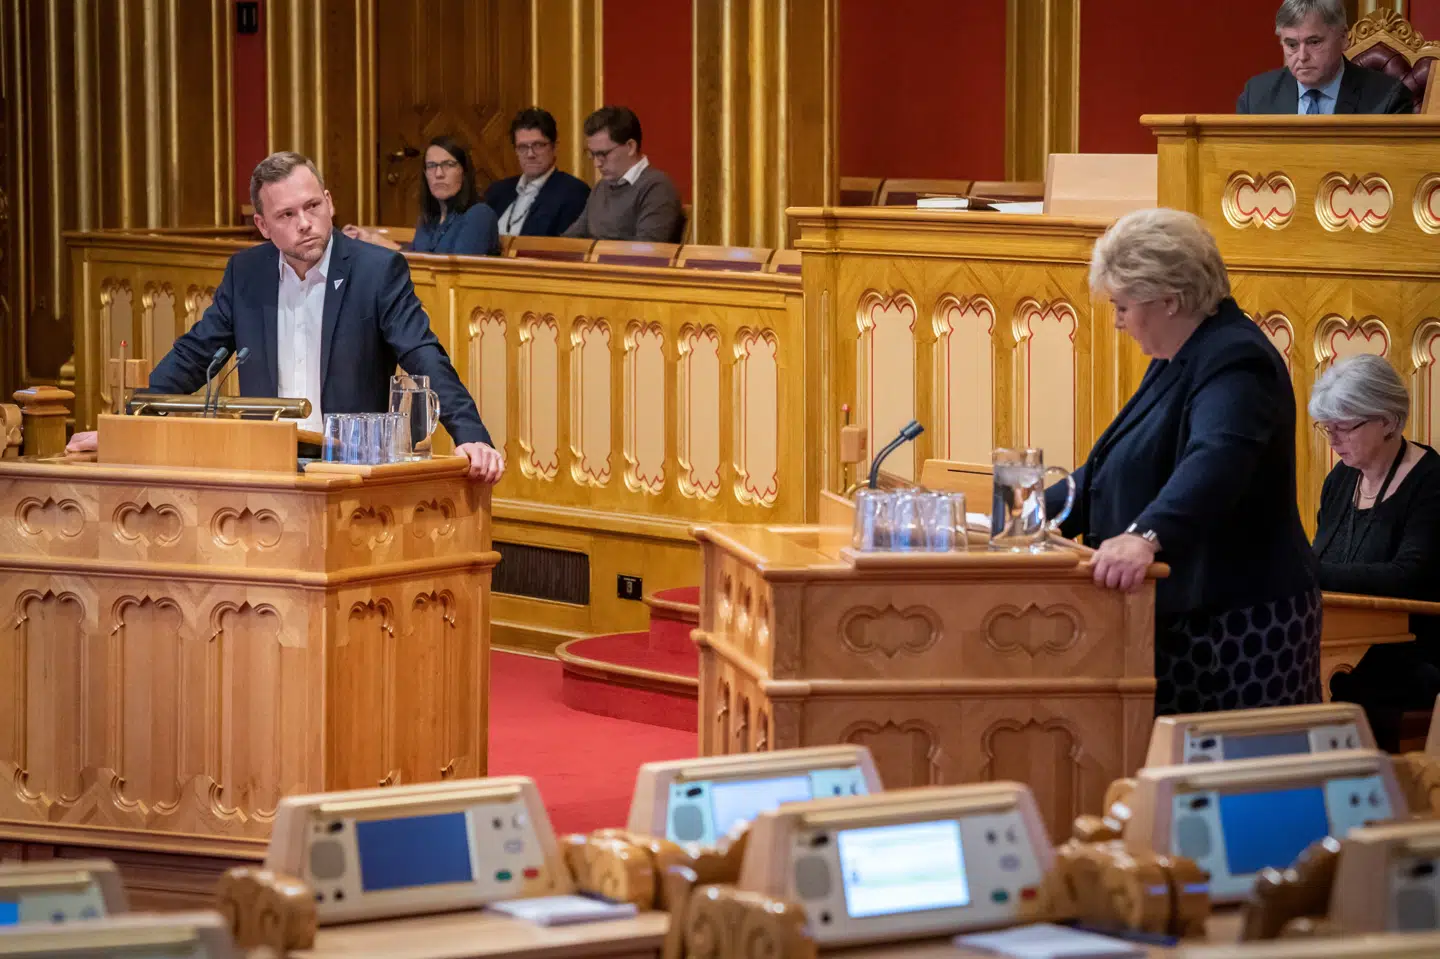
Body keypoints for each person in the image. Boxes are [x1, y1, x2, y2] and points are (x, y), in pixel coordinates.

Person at [66, 151, 504, 483]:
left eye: (313, 207)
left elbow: (424, 355)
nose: (305, 223)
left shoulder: (376, 271)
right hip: (266, 467)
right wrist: (126, 426)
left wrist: (471, 435)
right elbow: (195, 354)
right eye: (287, 215)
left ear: (329, 203)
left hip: (346, 470)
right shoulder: (247, 273)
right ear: (262, 225)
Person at [1045, 208, 1320, 716]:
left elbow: (1216, 460)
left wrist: (1145, 536)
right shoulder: (1179, 357)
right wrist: (1027, 513)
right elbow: (1115, 467)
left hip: (1237, 625)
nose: (1117, 321)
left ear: (1169, 300)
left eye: (1123, 306)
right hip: (1187, 618)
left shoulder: (1237, 359)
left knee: (1235, 783)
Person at [1311, 355, 1440, 749]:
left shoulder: (1431, 482)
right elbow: (1321, 559)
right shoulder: (1340, 478)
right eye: (1326, 428)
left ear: (1388, 420)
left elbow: (1408, 578)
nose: (1333, 440)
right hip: (1344, 641)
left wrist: (1306, 572)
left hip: (1412, 650)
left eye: (1344, 428)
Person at [1237, 0, 1413, 115]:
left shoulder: (1387, 99)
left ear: (1343, 38)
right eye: (1292, 45)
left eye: (1314, 42)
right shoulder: (1256, 96)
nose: (1302, 56)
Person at [345, 136, 500, 256]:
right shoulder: (430, 219)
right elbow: (417, 255)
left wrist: (385, 245)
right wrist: (371, 240)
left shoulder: (479, 215)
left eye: (448, 165)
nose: (439, 174)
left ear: (464, 171)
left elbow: (454, 274)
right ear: (425, 174)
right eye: (432, 166)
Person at [563, 106, 684, 243]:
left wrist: (598, 253)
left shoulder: (658, 187)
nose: (597, 163)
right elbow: (573, 238)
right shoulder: (601, 187)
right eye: (592, 154)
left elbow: (647, 249)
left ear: (631, 147)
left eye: (603, 154)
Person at [484, 108, 590, 236]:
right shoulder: (498, 191)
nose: (530, 154)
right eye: (522, 147)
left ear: (554, 147)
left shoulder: (573, 192)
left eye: (538, 145)